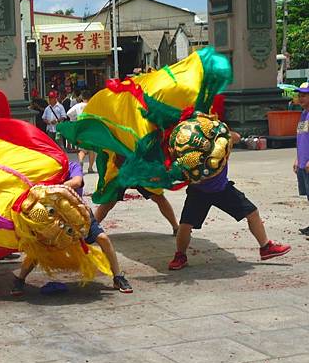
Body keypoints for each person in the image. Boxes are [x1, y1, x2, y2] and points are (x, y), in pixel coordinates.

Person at [168, 131, 291, 270]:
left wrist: (218, 131)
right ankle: (180, 256)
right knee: (185, 225)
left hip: (222, 188)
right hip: (198, 190)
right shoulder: (187, 136)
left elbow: (237, 137)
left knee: (252, 212)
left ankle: (266, 247)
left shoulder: (217, 132)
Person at [11, 161, 133, 296]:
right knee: (39, 249)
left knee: (102, 238)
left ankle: (117, 277)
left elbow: (77, 182)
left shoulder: (72, 166)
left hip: (79, 216)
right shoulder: (44, 169)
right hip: (51, 219)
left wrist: (50, 190)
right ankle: (20, 280)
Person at [94, 154, 180, 235]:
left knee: (158, 197)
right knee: (109, 201)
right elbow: (117, 156)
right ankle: (91, 229)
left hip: (141, 168)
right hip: (120, 169)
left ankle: (176, 227)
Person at [67, 90, 96, 173]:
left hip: (80, 130)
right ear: (90, 98)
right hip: (90, 129)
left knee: (81, 149)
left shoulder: (77, 106)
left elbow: (68, 113)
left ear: (82, 98)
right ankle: (90, 168)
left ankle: (81, 161)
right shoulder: (93, 106)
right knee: (91, 150)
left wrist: (74, 119)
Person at [294, 82, 309, 236]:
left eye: (304, 95)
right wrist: (298, 159)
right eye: (300, 95)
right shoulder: (303, 114)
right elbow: (302, 138)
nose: (301, 98)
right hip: (303, 163)